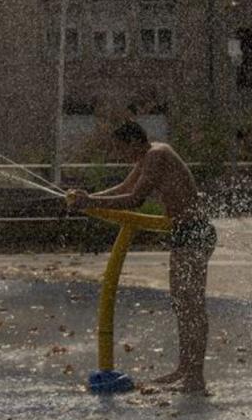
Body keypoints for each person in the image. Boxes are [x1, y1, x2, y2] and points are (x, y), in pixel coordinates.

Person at [66, 120, 216, 393]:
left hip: (195, 232)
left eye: (121, 149)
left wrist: (91, 202)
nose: (120, 156)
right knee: (182, 304)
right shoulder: (149, 155)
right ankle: (185, 369)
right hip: (184, 234)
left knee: (191, 306)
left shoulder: (157, 155)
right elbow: (123, 188)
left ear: (135, 141)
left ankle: (195, 378)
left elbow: (134, 199)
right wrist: (88, 198)